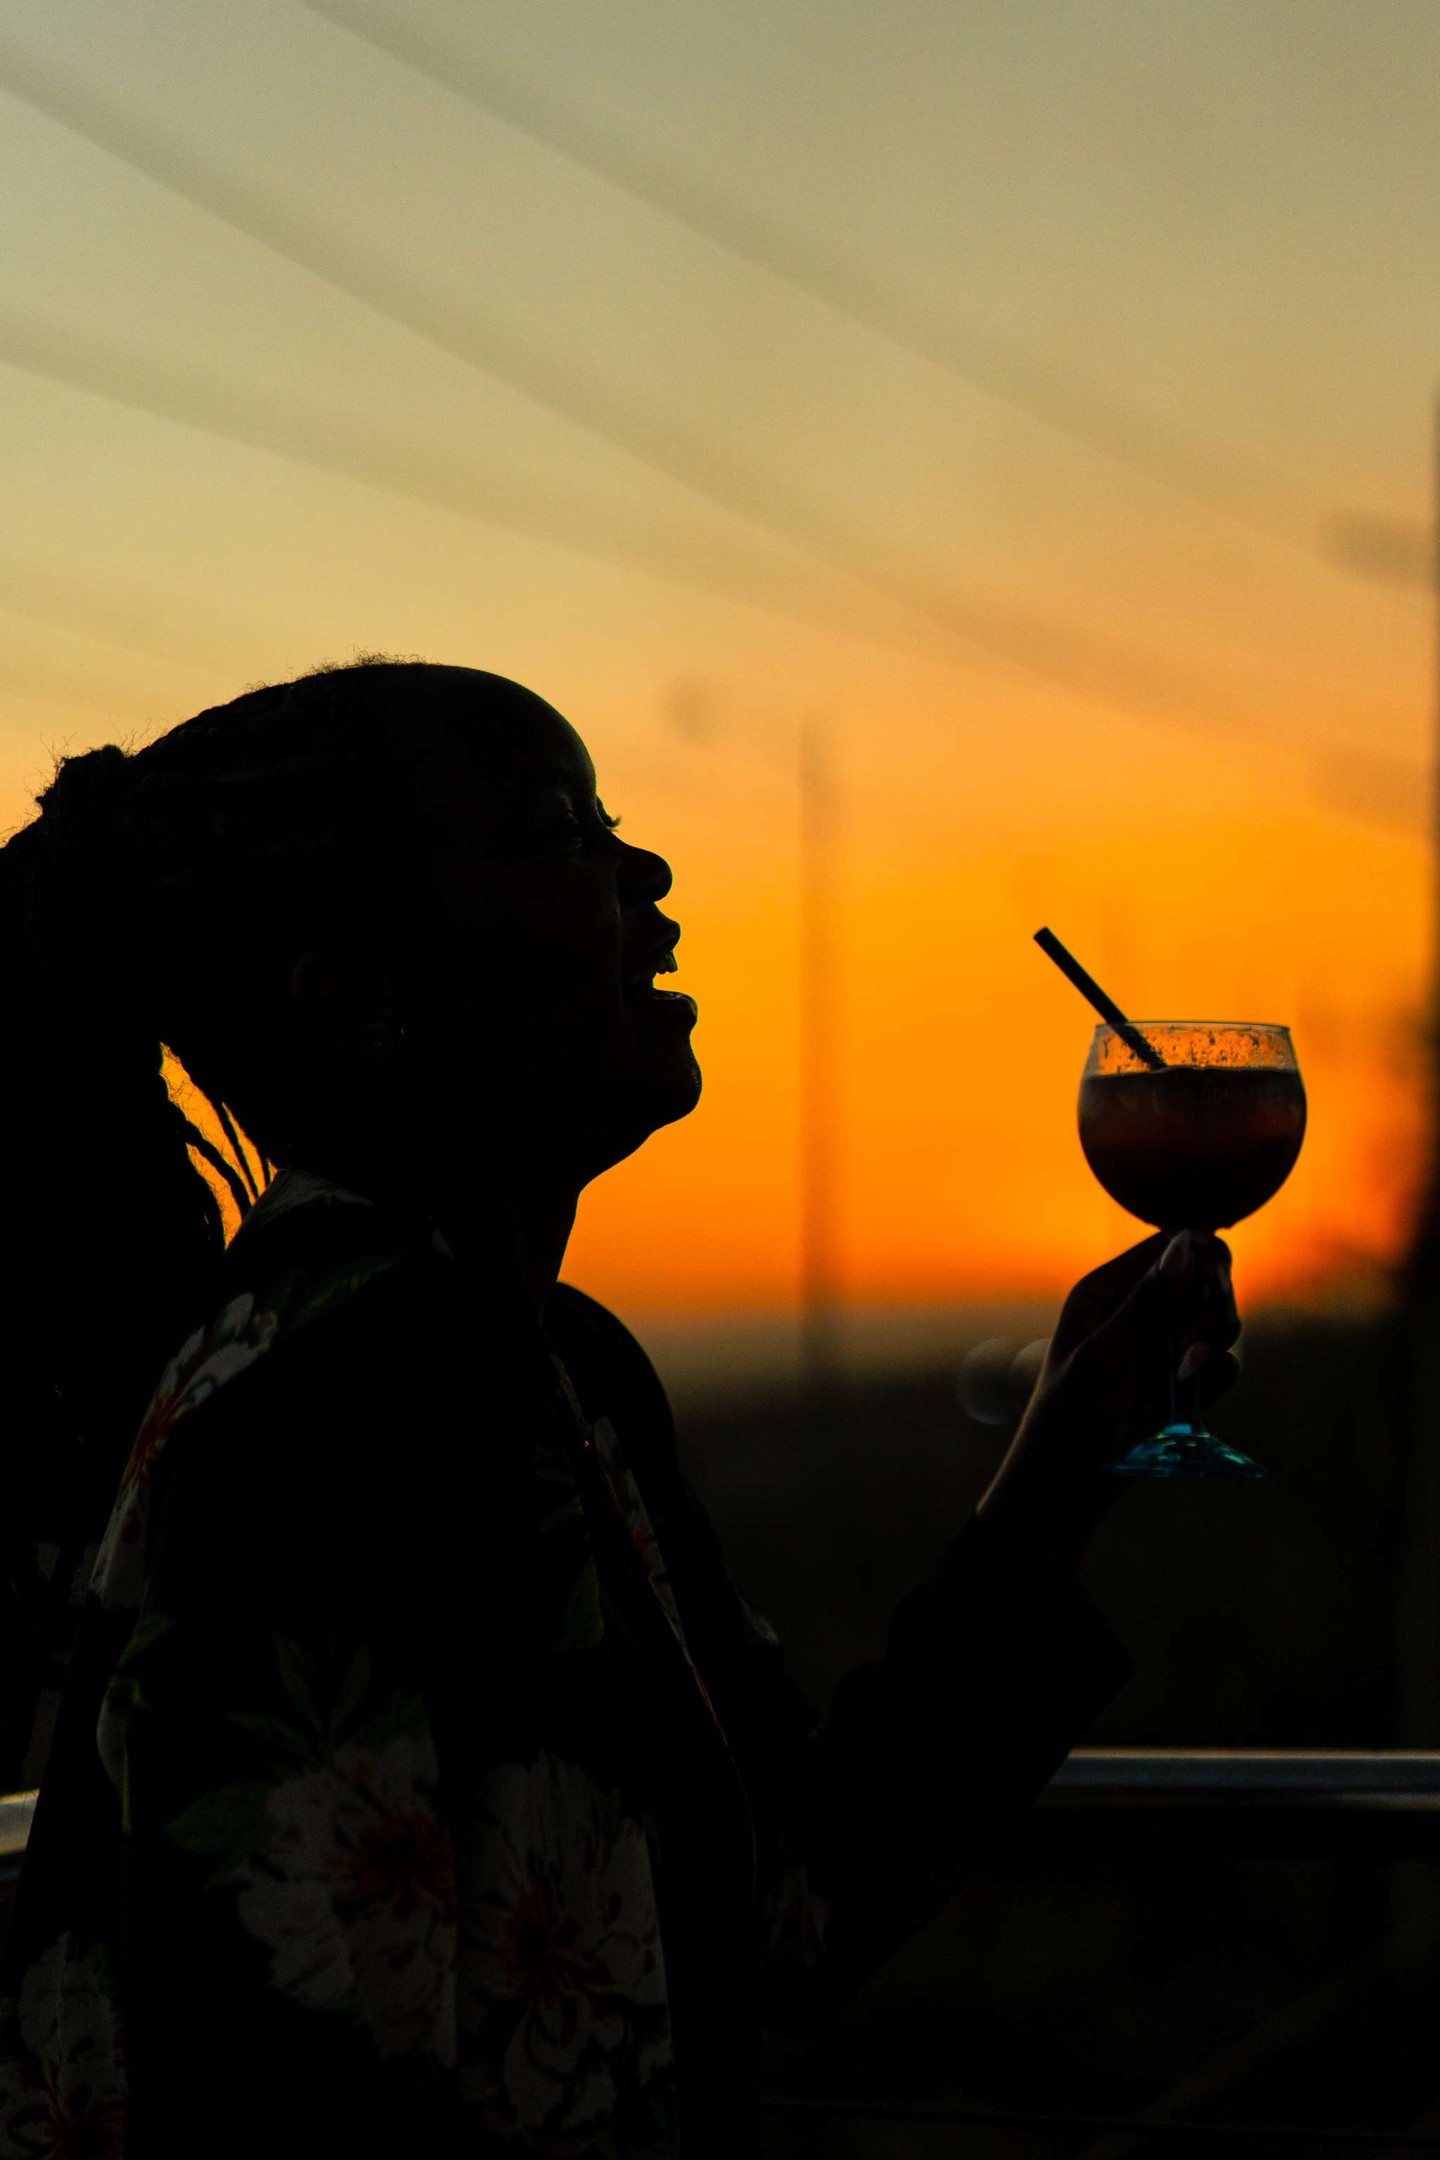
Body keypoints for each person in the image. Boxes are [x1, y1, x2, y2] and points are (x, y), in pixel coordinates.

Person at [0, 658, 1235, 2158]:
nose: (645, 874)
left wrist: (1054, 1474)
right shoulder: (361, 1395)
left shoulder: (551, 1369)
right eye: (559, 830)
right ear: (363, 998)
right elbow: (279, 2089)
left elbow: (792, 1906)